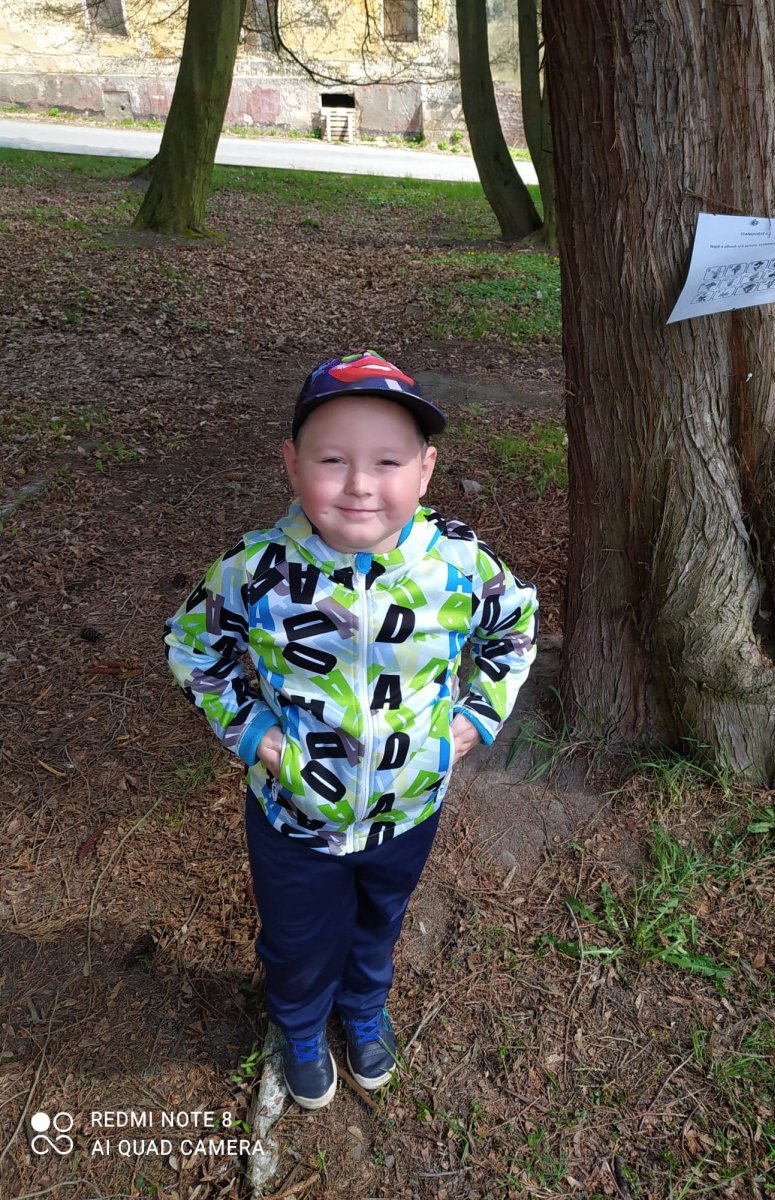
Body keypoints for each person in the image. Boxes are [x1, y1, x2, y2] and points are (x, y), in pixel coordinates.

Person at [164, 350, 538, 1110]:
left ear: (426, 470)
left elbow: (515, 630)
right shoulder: (255, 572)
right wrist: (253, 734)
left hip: (409, 809)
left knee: (379, 921)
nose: (360, 484)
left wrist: (475, 719)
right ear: (292, 464)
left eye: (387, 462)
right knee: (297, 937)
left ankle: (364, 1007)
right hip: (293, 817)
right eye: (332, 460)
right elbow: (193, 647)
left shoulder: (458, 566)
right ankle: (300, 1025)